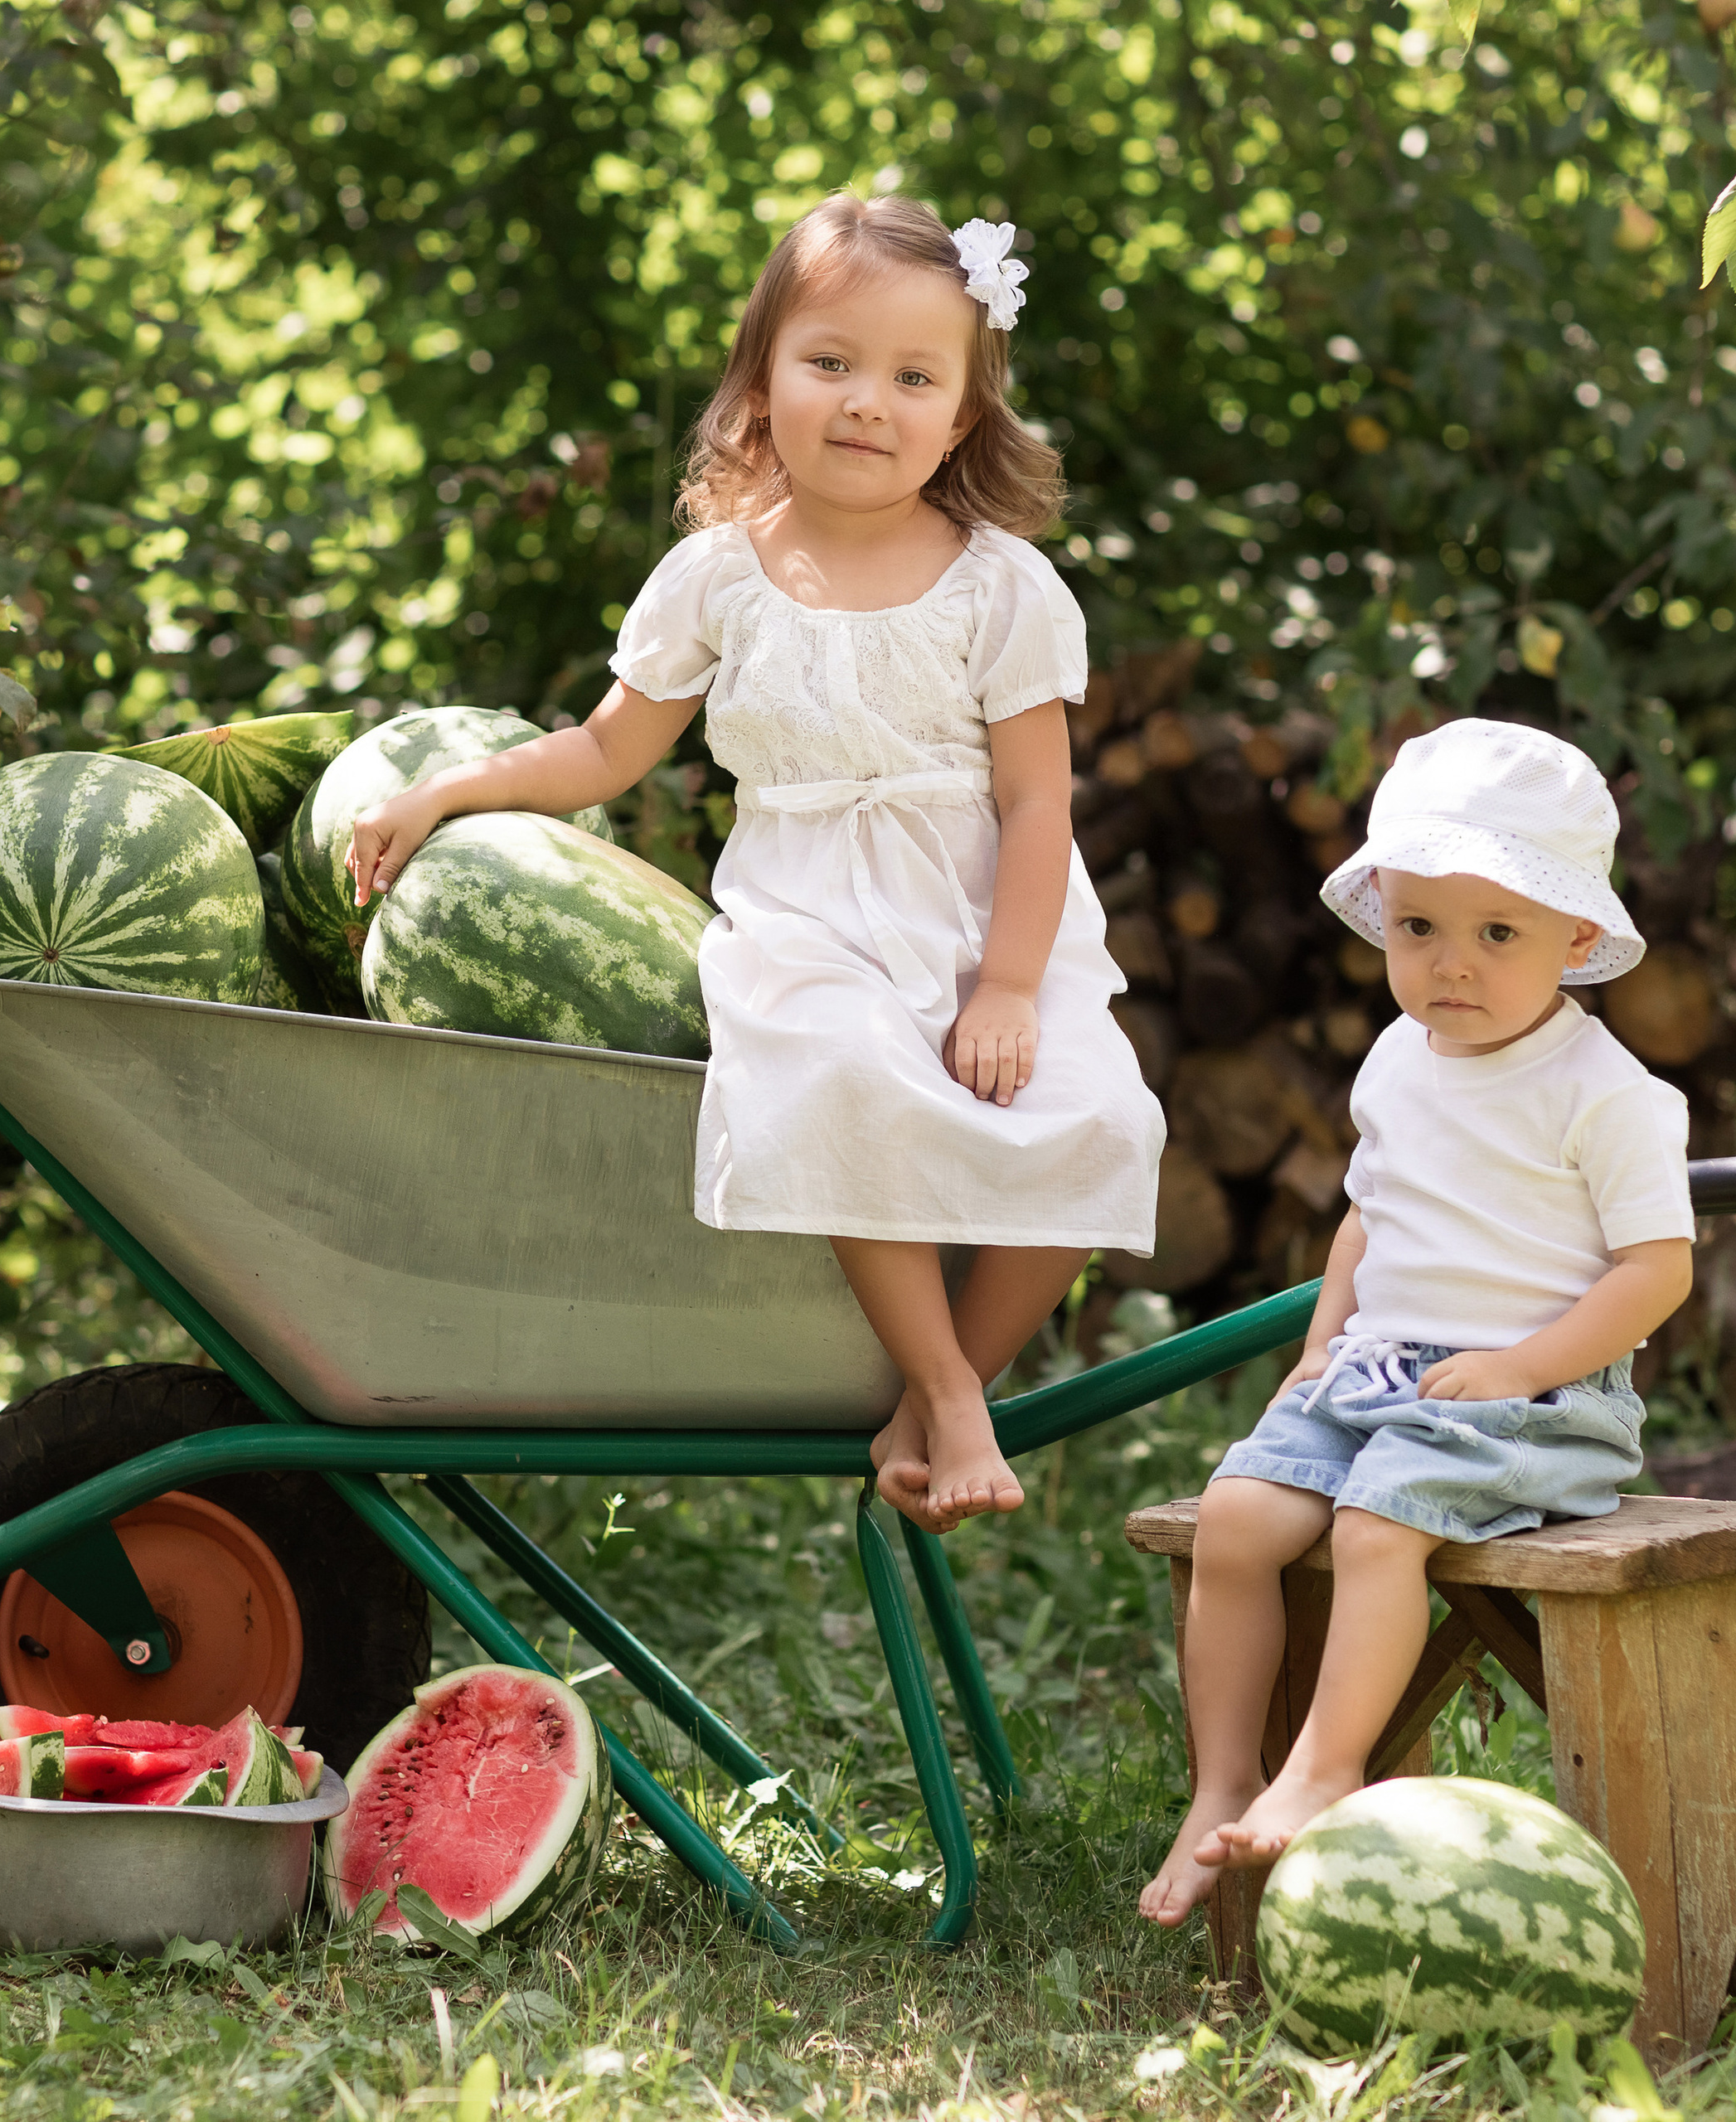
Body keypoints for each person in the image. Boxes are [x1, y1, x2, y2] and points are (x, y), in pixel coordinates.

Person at [347, 192, 1165, 1532]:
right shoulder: (717, 579)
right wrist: (456, 787)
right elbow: (604, 753)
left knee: (1106, 1124)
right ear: (761, 379)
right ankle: (955, 1399)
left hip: (979, 919)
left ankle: (934, 1389)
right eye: (830, 363)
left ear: (962, 416)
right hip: (809, 920)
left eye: (914, 378)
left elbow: (1034, 803)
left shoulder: (1003, 585)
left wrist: (1011, 984)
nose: (866, 403)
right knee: (843, 1080)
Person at [1139, 718, 1695, 1926]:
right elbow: (1366, 1219)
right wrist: (1317, 1347)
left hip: (1544, 1393)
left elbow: (1656, 1273)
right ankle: (1222, 1780)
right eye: (1420, 927)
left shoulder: (1607, 1093)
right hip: (1379, 1376)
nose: (1453, 964)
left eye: (1498, 933)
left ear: (1578, 939)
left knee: (1375, 1526)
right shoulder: (1397, 1057)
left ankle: (1326, 1769)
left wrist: (1518, 1366)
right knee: (1238, 1519)